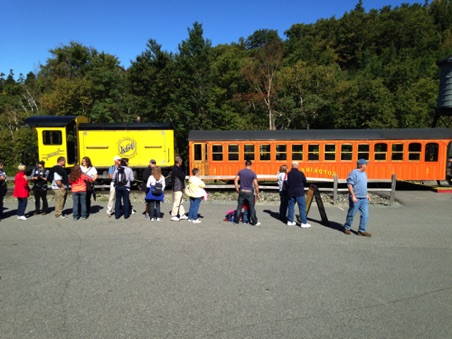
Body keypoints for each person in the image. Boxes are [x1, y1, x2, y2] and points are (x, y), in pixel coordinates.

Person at [343, 159, 372, 237]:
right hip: (356, 198)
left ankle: (362, 230)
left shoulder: (364, 174)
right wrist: (353, 196)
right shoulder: (353, 173)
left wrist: (367, 194)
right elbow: (349, 185)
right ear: (362, 165)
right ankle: (347, 227)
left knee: (365, 215)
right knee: (351, 214)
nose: (367, 165)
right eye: (366, 164)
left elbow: (363, 186)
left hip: (364, 198)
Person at [233, 160, 260, 226]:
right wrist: (257, 192)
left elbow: (235, 180)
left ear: (245, 164)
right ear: (251, 165)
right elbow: (256, 184)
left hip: (242, 191)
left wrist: (237, 188)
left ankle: (236, 221)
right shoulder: (253, 173)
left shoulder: (241, 172)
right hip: (249, 192)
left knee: (239, 207)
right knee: (251, 208)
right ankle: (255, 222)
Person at [286, 161, 311, 228]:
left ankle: (290, 221)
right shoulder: (300, 173)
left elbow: (287, 182)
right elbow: (304, 181)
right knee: (302, 207)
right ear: (297, 166)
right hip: (299, 192)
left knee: (291, 207)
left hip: (291, 192)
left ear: (292, 166)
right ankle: (303, 222)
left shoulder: (289, 174)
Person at [170, 156, 188, 221]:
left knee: (181, 201)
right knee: (177, 202)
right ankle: (173, 215)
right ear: (179, 162)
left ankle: (182, 214)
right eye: (181, 161)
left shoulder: (176, 168)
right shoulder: (176, 169)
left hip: (179, 187)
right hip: (177, 187)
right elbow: (182, 176)